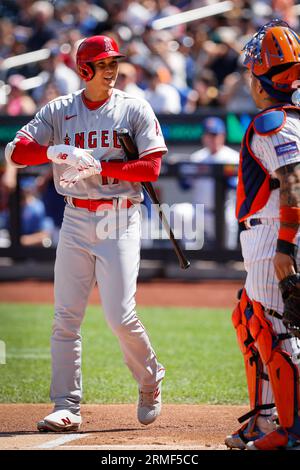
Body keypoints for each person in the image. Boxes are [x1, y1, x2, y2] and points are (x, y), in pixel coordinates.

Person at [5, 34, 167, 432]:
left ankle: (150, 380)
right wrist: (54, 152)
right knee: (65, 317)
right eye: (104, 64)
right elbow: (14, 151)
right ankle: (66, 404)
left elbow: (151, 169)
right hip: (75, 216)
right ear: (84, 69)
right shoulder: (60, 109)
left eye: (115, 63)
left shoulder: (133, 108)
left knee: (119, 315)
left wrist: (102, 167)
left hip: (119, 216)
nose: (112, 70)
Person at [225, 20, 300, 450]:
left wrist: (286, 247)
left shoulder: (272, 120)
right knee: (251, 318)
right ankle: (265, 419)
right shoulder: (289, 117)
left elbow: (293, 178)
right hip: (273, 232)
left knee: (276, 332)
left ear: (261, 76)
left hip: (275, 234)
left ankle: (291, 430)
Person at [189, 117, 239, 249]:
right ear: (203, 137)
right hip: (200, 212)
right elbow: (185, 185)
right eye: (209, 135)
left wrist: (223, 176)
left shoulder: (233, 157)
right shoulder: (196, 158)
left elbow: (236, 186)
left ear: (223, 136)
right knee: (180, 213)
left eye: (215, 135)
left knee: (227, 254)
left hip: (225, 212)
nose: (213, 139)